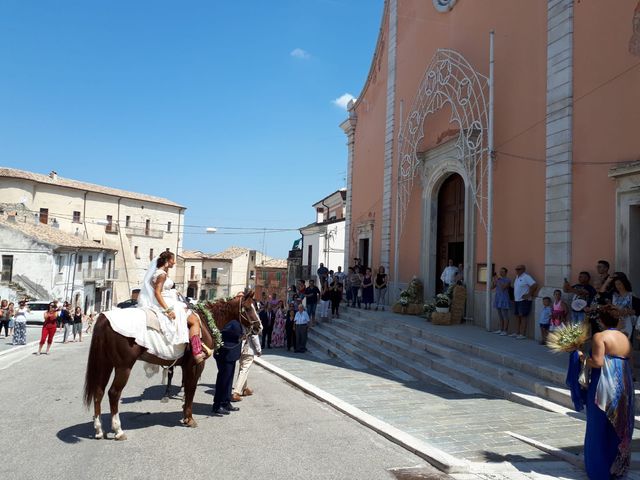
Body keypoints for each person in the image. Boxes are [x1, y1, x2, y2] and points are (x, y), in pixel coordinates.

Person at [580, 306, 634, 479]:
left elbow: (598, 362)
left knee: (598, 427)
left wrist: (582, 359)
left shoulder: (600, 336)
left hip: (603, 385)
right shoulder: (624, 338)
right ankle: (616, 468)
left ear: (600, 320)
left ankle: (599, 471)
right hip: (624, 386)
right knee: (618, 426)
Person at [137, 251, 210, 364]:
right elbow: (157, 293)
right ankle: (196, 351)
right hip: (167, 303)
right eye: (173, 260)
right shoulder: (162, 274)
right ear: (167, 261)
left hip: (169, 300)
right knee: (195, 320)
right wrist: (168, 310)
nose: (174, 262)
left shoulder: (158, 272)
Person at [212, 318, 243, 416]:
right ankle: (217, 405)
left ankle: (226, 402)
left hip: (232, 353)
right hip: (225, 353)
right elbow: (222, 331)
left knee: (229, 379)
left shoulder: (236, 318)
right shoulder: (225, 318)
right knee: (223, 379)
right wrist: (240, 333)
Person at [231, 323, 262, 402]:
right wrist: (259, 350)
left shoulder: (239, 324)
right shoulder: (251, 324)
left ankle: (244, 389)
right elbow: (255, 337)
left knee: (242, 368)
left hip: (239, 349)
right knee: (244, 370)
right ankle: (236, 392)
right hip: (248, 349)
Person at [512, 265, 538, 339]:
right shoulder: (517, 277)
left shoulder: (526, 277)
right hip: (517, 300)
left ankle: (522, 334)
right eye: (516, 269)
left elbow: (535, 285)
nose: (517, 270)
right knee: (517, 316)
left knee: (523, 317)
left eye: (519, 269)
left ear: (523, 269)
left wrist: (529, 294)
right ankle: (517, 332)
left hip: (524, 300)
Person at [607, 272, 635, 338]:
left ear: (624, 284)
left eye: (619, 284)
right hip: (615, 321)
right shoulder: (614, 295)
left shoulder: (631, 295)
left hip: (627, 321)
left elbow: (635, 310)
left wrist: (626, 311)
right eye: (616, 284)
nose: (618, 286)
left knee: (626, 339)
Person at [492, 268, 512, 335]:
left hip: (504, 298)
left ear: (506, 272)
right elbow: (492, 287)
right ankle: (501, 329)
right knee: (500, 315)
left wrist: (498, 280)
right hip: (498, 298)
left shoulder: (508, 280)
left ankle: (505, 330)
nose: (501, 273)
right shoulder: (498, 280)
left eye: (502, 272)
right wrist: (494, 280)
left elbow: (503, 288)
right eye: (500, 271)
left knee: (505, 315)